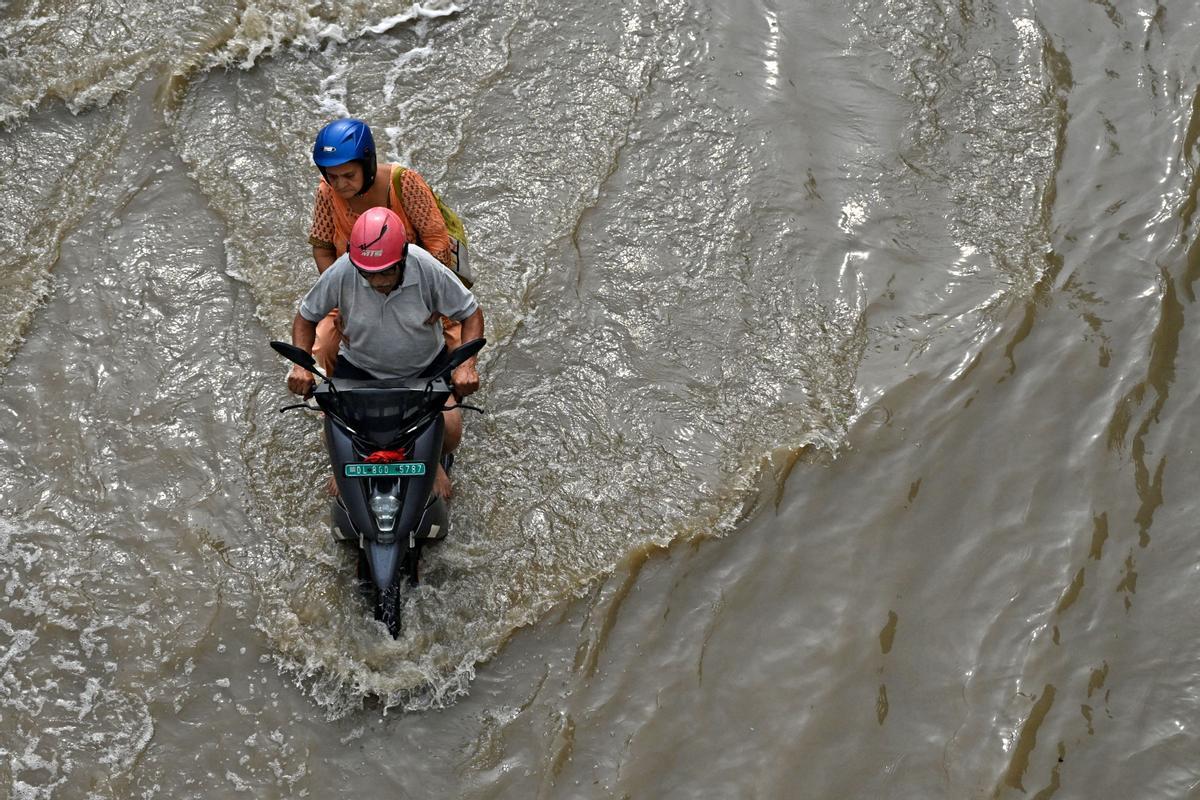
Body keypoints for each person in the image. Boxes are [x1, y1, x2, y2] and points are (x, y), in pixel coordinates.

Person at [288, 206, 484, 499]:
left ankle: (434, 465)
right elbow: (305, 317)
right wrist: (299, 364)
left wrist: (466, 365)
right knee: (335, 429)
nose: (378, 281)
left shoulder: (427, 268)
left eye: (386, 272)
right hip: (359, 367)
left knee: (452, 428)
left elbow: (471, 313)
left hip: (424, 367)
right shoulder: (343, 270)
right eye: (368, 274)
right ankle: (345, 464)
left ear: (403, 258)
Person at [308, 118, 464, 375]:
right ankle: (339, 399)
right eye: (332, 176)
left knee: (455, 347)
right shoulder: (326, 192)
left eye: (348, 175)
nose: (339, 185)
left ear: (367, 165)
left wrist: (435, 301)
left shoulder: (404, 184)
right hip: (356, 281)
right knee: (325, 345)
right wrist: (341, 301)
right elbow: (323, 248)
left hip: (415, 281)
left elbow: (437, 243)